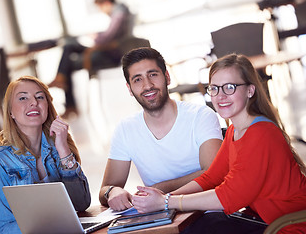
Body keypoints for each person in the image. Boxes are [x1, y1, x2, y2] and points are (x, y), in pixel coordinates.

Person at [131, 54, 306, 234]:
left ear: (250, 91)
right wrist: (166, 197)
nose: (220, 96)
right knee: (203, 224)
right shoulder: (234, 130)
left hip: (288, 226)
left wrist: (166, 202)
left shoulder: (261, 133)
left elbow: (228, 197)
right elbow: (212, 178)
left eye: (229, 87)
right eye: (214, 88)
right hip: (263, 220)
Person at [99, 47, 223, 211]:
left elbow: (214, 174)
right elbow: (104, 190)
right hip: (161, 220)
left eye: (153, 75)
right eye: (138, 79)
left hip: (207, 212)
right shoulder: (125, 129)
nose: (148, 85)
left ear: (167, 77)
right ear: (129, 89)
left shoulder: (201, 116)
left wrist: (160, 189)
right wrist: (112, 191)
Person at [0, 76, 91, 234]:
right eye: (23, 98)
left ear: (47, 106)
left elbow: (81, 203)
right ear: (10, 112)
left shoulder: (59, 145)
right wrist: (48, 228)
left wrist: (63, 150)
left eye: (40, 97)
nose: (34, 102)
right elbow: (3, 228)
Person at [49, 0, 133, 118]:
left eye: (100, 8)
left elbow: (105, 39)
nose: (101, 11)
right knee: (69, 45)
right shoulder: (120, 12)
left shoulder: (119, 14)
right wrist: (98, 36)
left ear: (106, 3)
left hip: (109, 54)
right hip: (104, 50)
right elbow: (108, 36)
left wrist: (96, 37)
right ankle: (61, 79)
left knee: (69, 64)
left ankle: (69, 102)